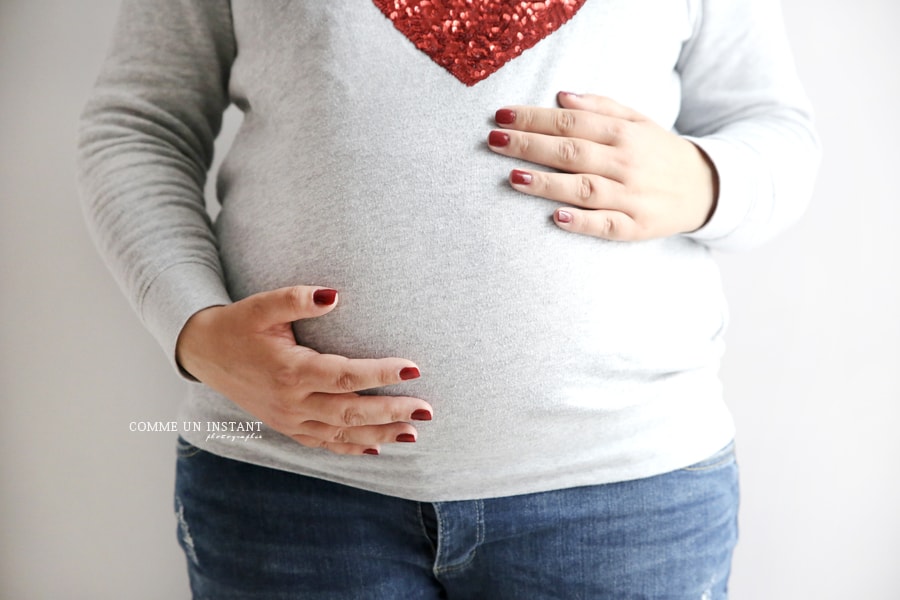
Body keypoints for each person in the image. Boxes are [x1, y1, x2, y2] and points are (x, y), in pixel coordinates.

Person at [77, 0, 819, 597]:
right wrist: (193, 330)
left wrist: (705, 178)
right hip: (289, 487)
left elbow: (773, 127)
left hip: (625, 494)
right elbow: (140, 124)